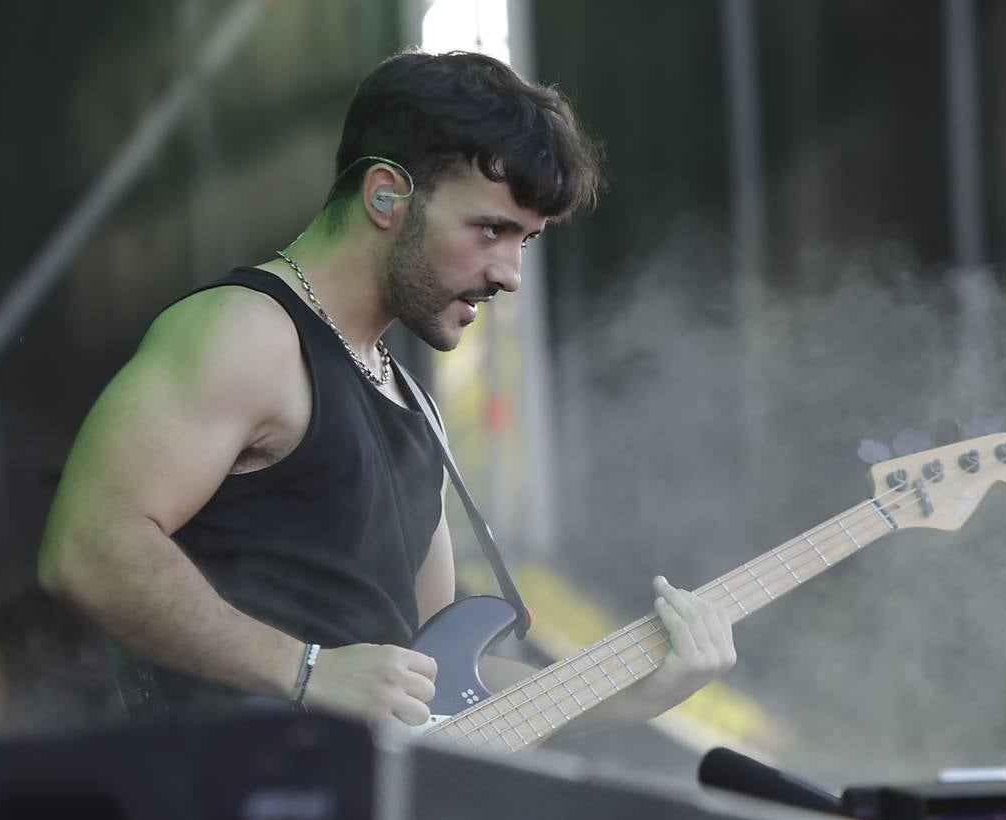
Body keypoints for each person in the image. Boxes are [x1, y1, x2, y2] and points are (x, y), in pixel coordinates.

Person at [36, 50, 735, 733]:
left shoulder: (411, 404)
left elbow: (435, 683)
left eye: (526, 240)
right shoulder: (246, 332)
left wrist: (629, 695)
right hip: (226, 816)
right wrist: (307, 670)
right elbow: (89, 547)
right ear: (385, 195)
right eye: (491, 229)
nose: (510, 273)